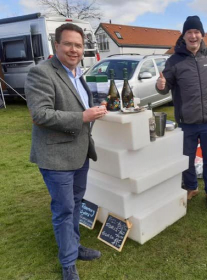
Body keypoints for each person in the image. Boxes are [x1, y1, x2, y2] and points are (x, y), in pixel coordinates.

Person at [25, 23, 107, 280]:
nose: (74, 50)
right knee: (63, 209)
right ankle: (68, 263)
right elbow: (40, 115)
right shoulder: (41, 72)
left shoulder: (77, 73)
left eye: (79, 45)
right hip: (56, 156)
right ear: (56, 45)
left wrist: (96, 110)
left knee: (76, 205)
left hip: (80, 153)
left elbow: (79, 105)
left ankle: (75, 246)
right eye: (69, 44)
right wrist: (83, 116)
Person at [156, 15, 207, 210]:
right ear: (184, 36)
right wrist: (160, 85)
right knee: (187, 158)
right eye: (189, 32)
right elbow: (164, 85)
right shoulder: (174, 60)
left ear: (202, 35)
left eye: (196, 32)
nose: (193, 36)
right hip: (187, 121)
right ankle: (191, 186)